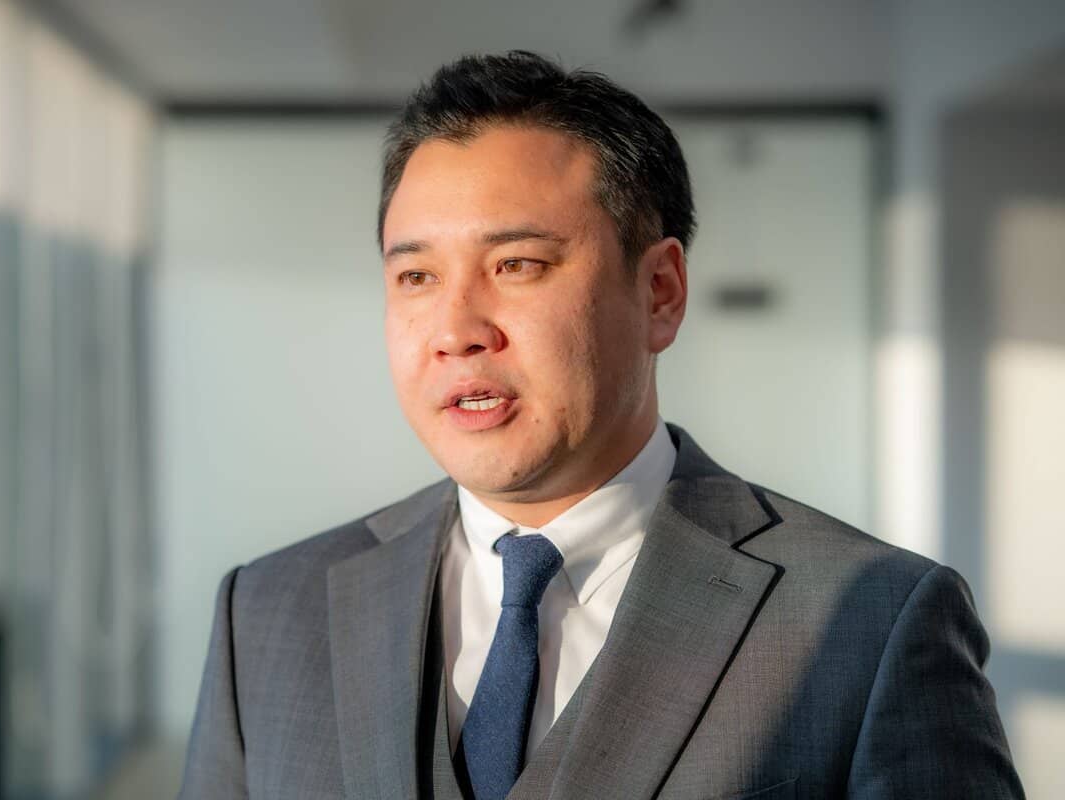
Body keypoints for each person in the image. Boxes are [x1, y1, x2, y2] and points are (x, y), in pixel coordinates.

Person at [179, 51, 1023, 799]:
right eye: (416, 278)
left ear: (659, 292)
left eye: (517, 265)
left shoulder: (869, 620)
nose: (456, 328)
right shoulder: (266, 613)